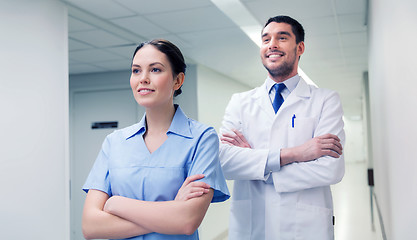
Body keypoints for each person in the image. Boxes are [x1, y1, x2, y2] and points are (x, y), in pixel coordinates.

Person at [82, 39, 230, 240]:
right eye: (136, 71)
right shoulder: (114, 142)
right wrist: (171, 212)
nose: (143, 78)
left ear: (178, 81)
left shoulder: (202, 138)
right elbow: (91, 227)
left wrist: (116, 204)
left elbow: (186, 222)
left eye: (155, 70)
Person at [219, 16, 345, 240]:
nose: (272, 44)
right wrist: (297, 153)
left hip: (305, 227)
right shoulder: (240, 102)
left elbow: (330, 169)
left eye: (282, 37)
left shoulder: (326, 100)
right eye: (266, 39)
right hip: (251, 226)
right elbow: (224, 162)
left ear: (300, 47)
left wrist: (257, 165)